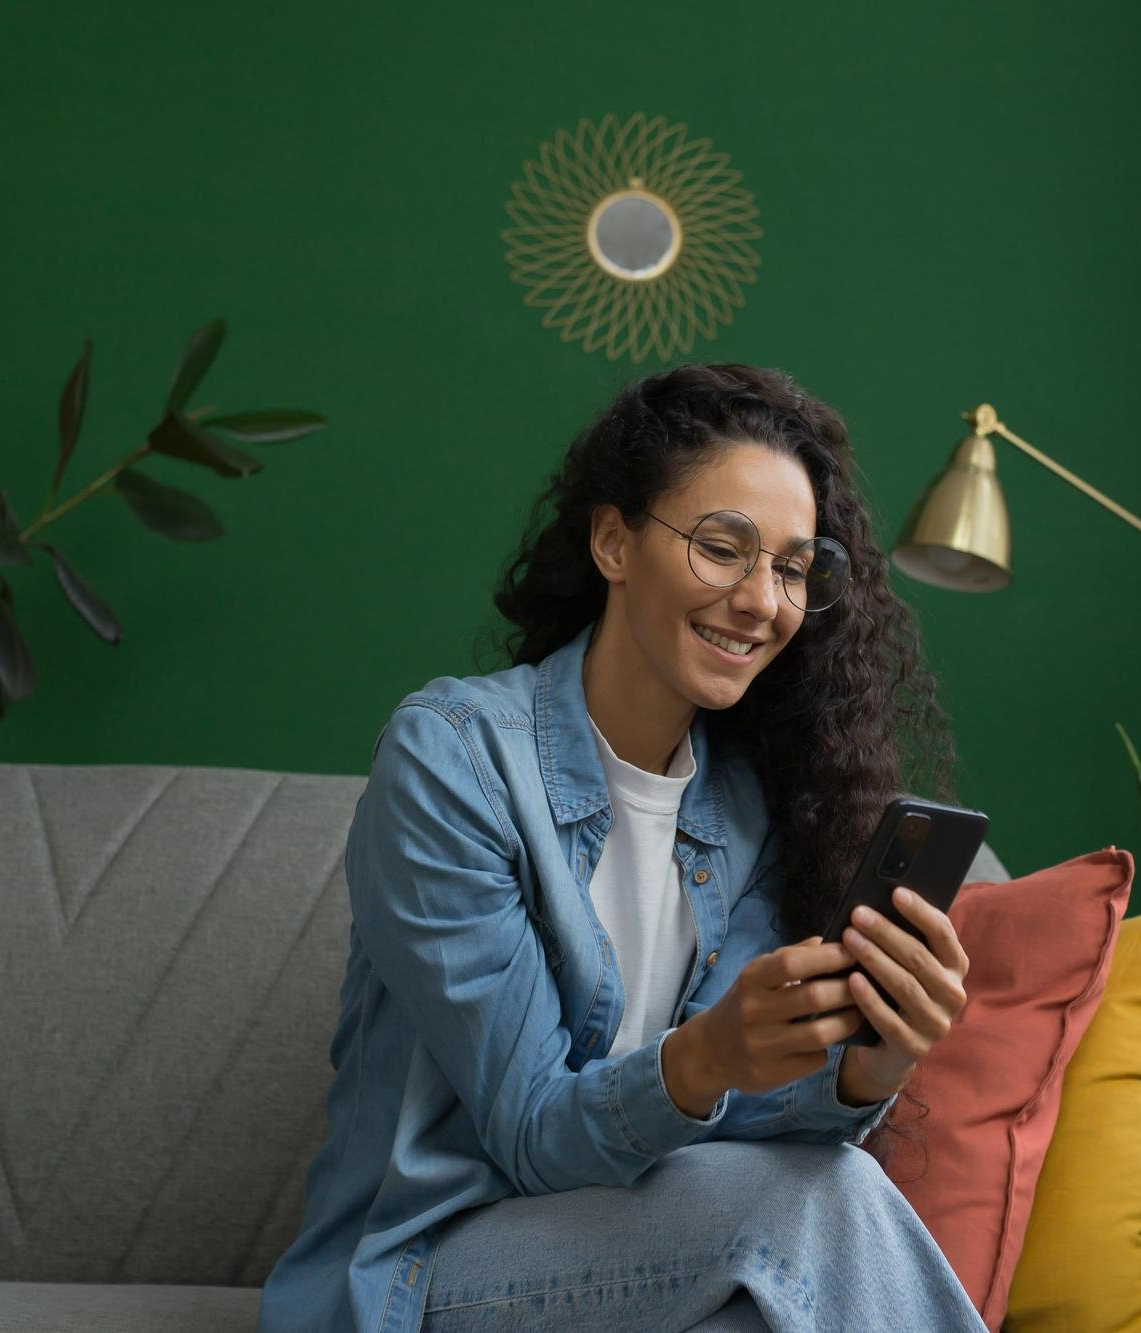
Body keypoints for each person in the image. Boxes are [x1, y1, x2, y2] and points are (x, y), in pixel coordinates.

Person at [258, 363, 988, 1333]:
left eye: (791, 567)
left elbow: (742, 1121)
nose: (762, 600)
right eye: (722, 547)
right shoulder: (452, 759)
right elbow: (528, 1133)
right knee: (825, 1201)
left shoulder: (741, 803)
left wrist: (869, 1067)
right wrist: (704, 1054)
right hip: (439, 1263)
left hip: (649, 1259)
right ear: (613, 540)